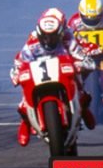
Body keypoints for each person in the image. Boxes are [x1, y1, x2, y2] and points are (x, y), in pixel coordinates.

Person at [10, 9, 96, 147]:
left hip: (63, 72)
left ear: (61, 32)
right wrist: (16, 74)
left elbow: (83, 57)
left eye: (52, 37)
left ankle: (83, 108)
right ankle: (26, 122)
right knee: (23, 96)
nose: (48, 40)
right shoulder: (32, 41)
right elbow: (20, 61)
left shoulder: (68, 38)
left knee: (80, 84)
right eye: (44, 36)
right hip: (39, 74)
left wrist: (81, 64)